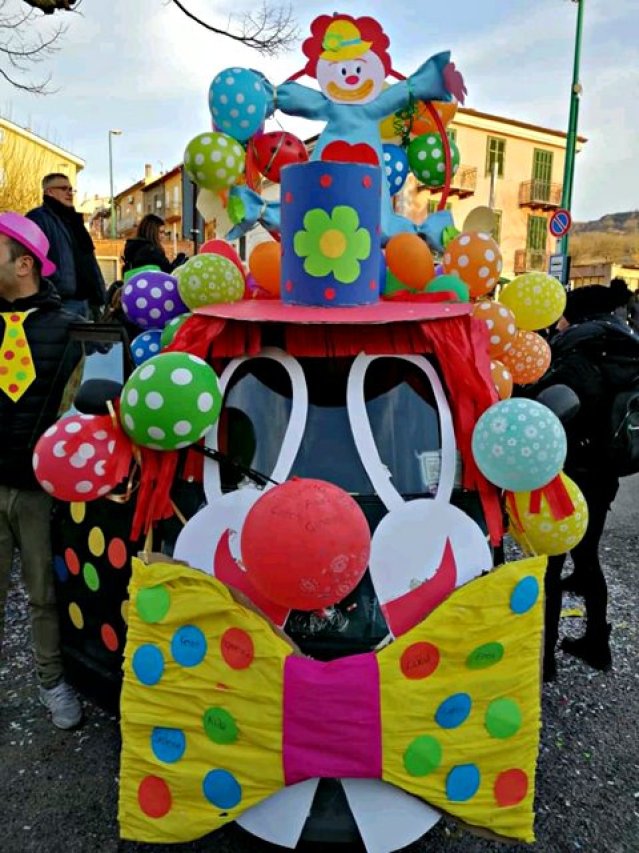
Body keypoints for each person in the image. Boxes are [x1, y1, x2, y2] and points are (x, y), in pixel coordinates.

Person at [0, 212, 84, 729]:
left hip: (35, 493)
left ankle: (52, 682)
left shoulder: (70, 329)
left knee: (42, 595)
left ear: (24, 265)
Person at [532, 285, 639, 679]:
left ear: (573, 314)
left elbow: (553, 405)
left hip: (569, 471)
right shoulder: (626, 346)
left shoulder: (578, 350)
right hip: (606, 470)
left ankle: (545, 663)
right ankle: (597, 644)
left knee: (551, 562)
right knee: (587, 555)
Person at [26, 173, 107, 318]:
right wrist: (56, 285)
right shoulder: (38, 218)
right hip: (61, 302)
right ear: (49, 192)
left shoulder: (74, 221)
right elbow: (33, 258)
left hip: (88, 303)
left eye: (71, 189)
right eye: (64, 189)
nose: (70, 193)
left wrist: (100, 293)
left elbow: (89, 260)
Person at [122, 214, 186, 275]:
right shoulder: (152, 251)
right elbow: (169, 272)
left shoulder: (132, 248)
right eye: (161, 232)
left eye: (164, 233)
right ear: (151, 232)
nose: (163, 236)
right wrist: (180, 258)